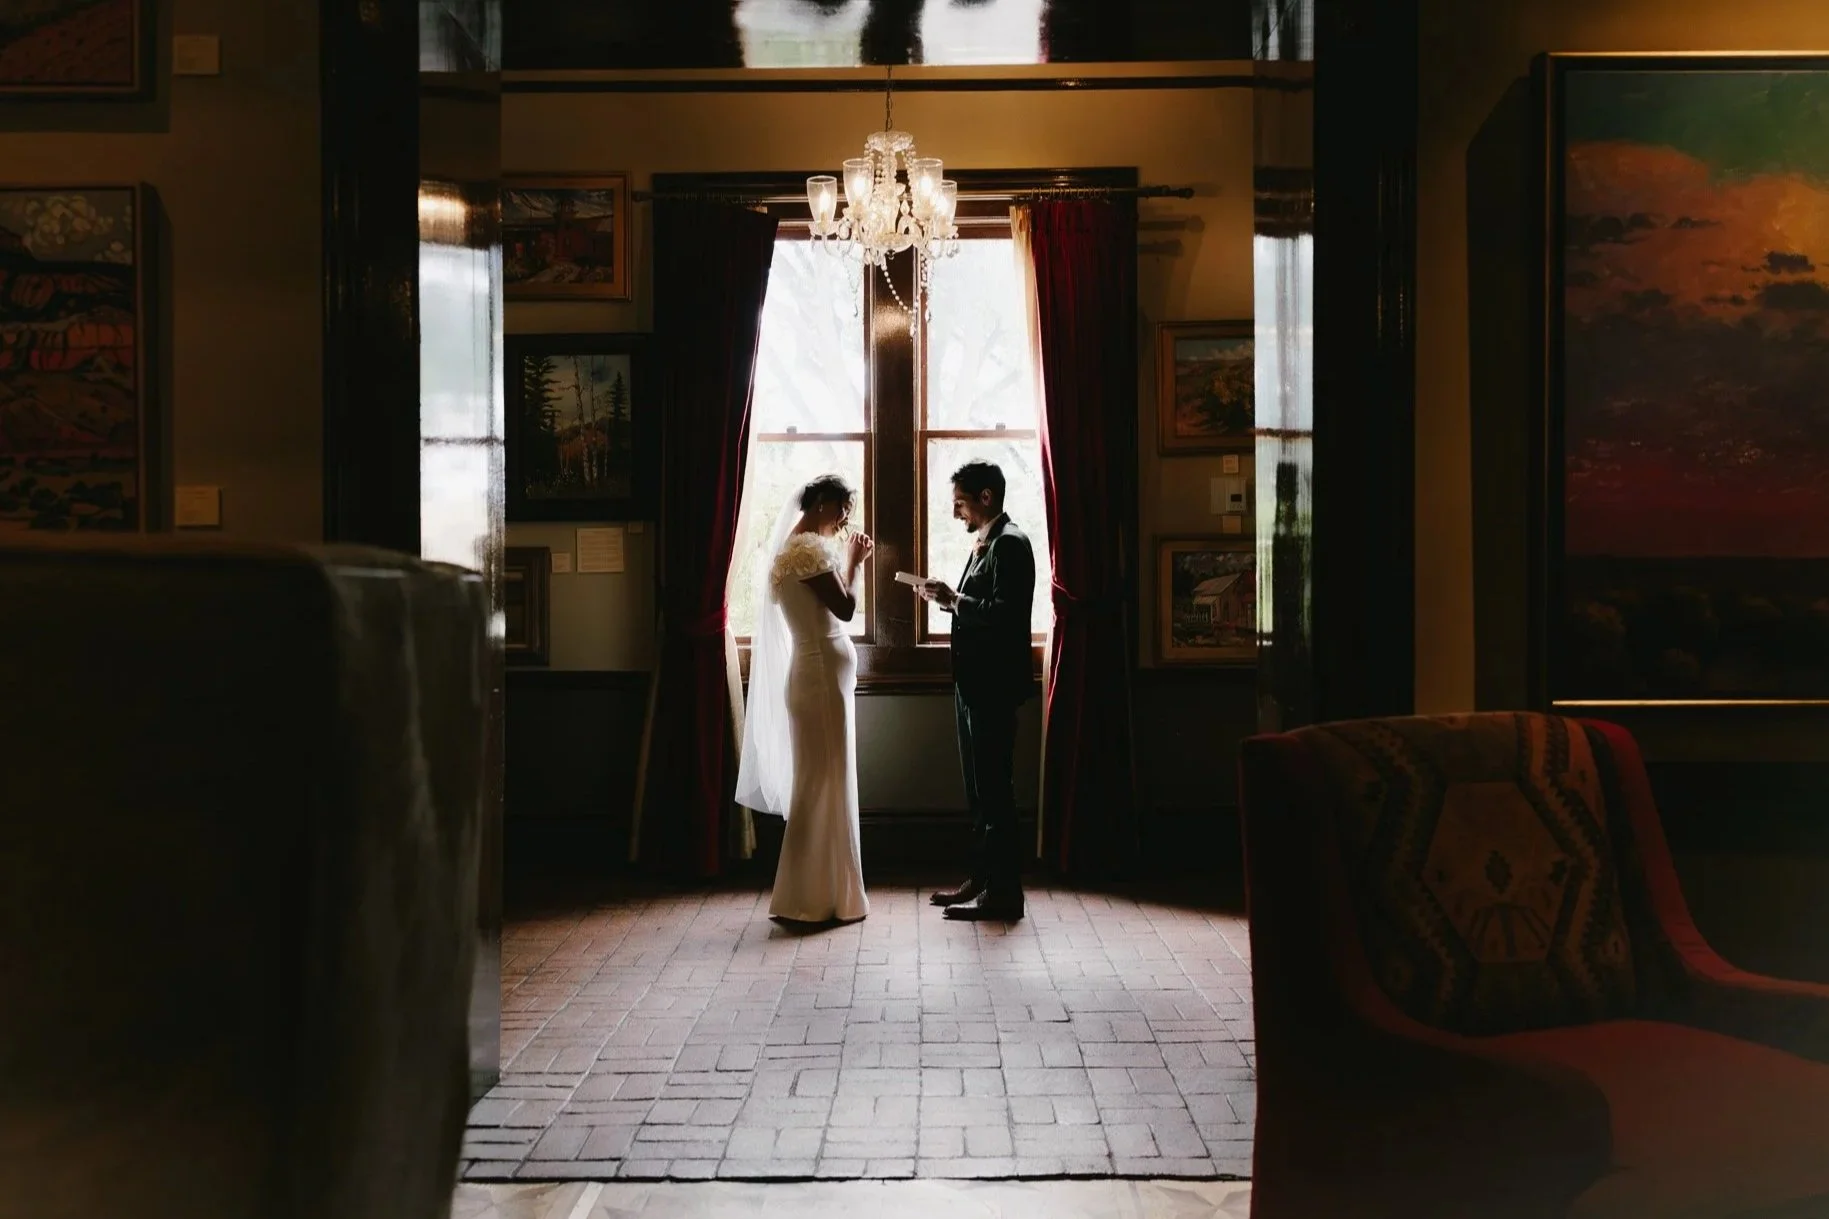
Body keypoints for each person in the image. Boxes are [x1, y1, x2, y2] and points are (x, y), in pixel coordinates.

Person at [735, 474, 874, 924]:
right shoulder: (808, 551)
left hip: (812, 674)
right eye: (842, 509)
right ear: (821, 505)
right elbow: (847, 608)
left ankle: (816, 893)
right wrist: (854, 562)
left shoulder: (786, 553)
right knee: (823, 782)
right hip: (819, 677)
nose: (845, 520)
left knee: (821, 781)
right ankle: (815, 897)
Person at [917, 460, 1036, 922]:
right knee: (979, 791)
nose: (956, 515)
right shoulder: (985, 543)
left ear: (986, 498)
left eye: (960, 503)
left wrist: (955, 600)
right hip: (973, 685)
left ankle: (1005, 893)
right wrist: (953, 602)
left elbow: (1006, 614)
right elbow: (983, 610)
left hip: (994, 687)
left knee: (995, 791)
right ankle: (983, 877)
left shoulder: (1011, 544)